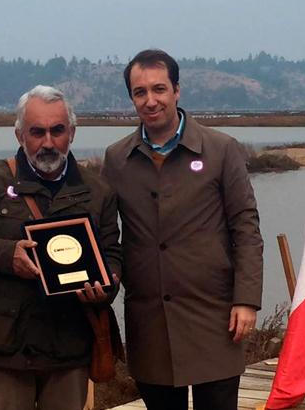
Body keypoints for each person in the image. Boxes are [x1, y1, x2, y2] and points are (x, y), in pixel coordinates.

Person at [0, 85, 121, 410]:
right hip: (7, 347)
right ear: (20, 134)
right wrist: (8, 255)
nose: (48, 142)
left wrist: (105, 286)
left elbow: (112, 256)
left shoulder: (99, 192)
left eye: (57, 131)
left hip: (70, 345)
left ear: (72, 133)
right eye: (37, 132)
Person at [103, 49, 263, 410]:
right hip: (150, 321)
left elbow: (246, 228)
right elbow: (105, 234)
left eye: (159, 89)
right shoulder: (117, 158)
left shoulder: (221, 150)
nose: (150, 100)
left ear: (177, 90)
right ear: (131, 98)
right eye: (140, 92)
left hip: (215, 317)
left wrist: (246, 299)